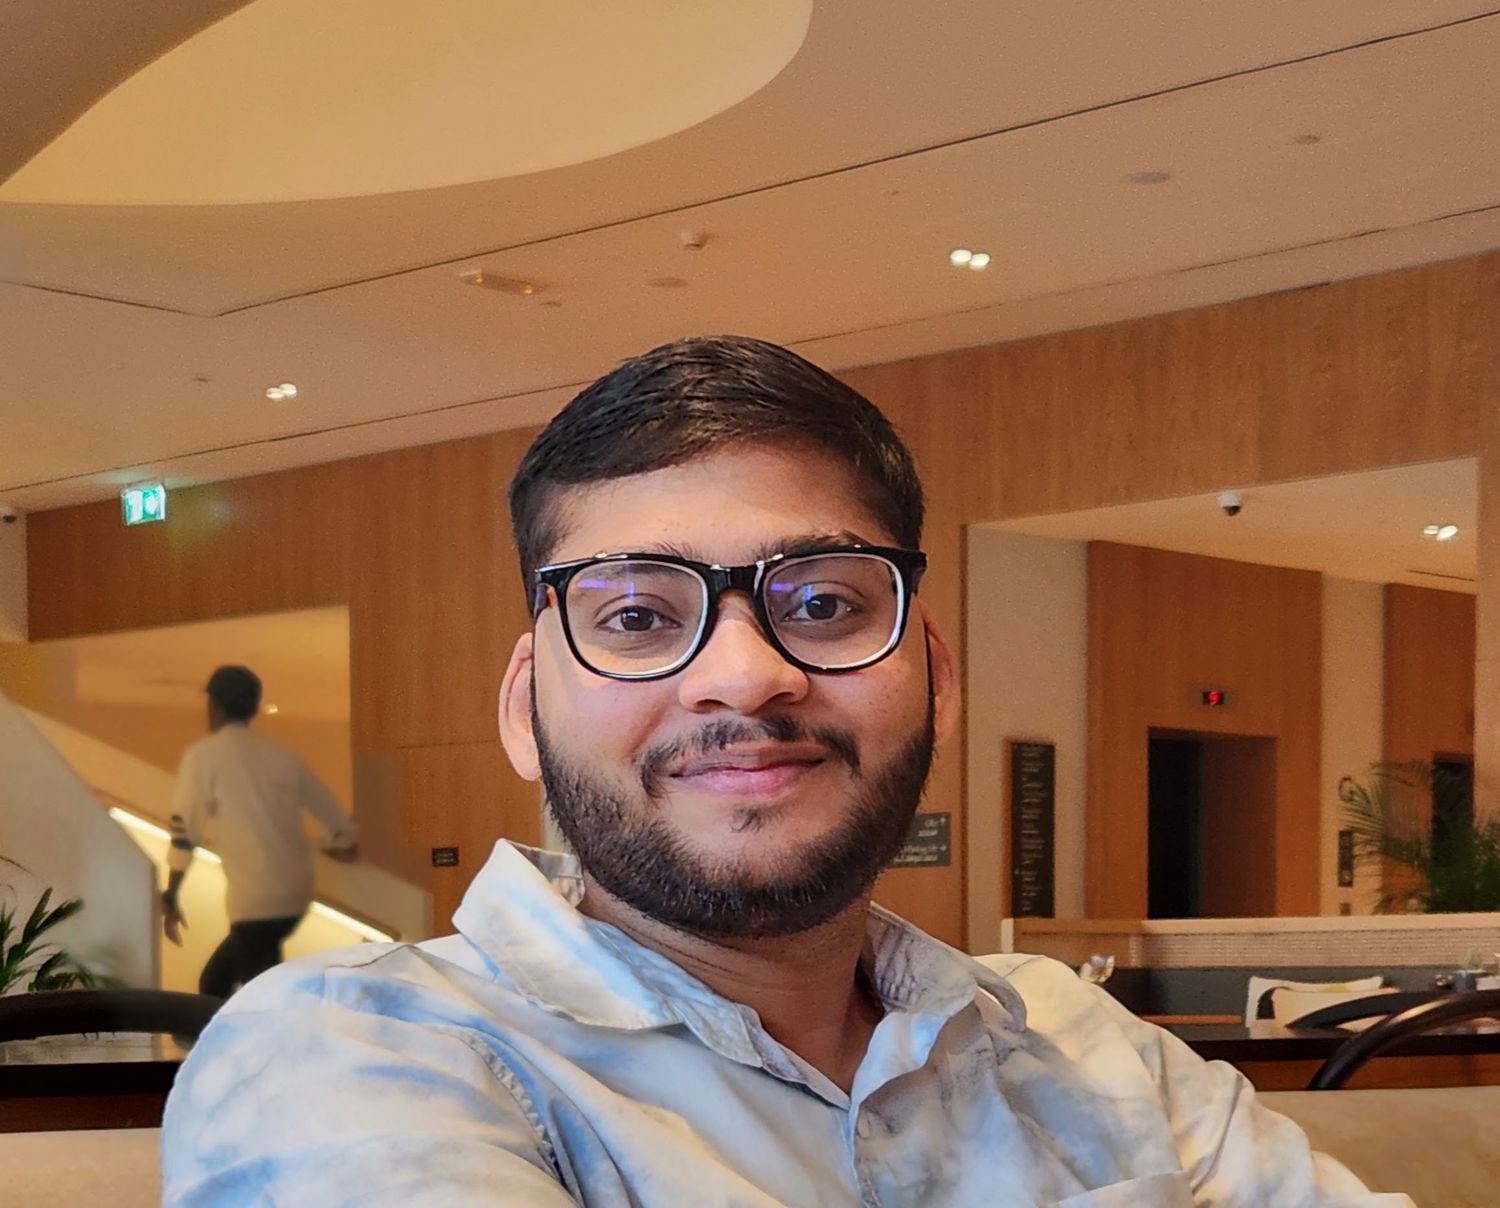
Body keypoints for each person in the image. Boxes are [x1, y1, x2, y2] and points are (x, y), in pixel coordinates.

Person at [162, 338, 1407, 1205]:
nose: (746, 675)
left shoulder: (1084, 1045)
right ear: (524, 706)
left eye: (822, 602)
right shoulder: (355, 1056)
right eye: (637, 615)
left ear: (937, 676)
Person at [163, 664, 357, 999]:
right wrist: (332, 843)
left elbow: (185, 830)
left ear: (214, 705)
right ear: (254, 706)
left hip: (254, 899)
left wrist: (170, 893)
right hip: (294, 895)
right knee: (224, 983)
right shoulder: (281, 756)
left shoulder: (204, 757)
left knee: (241, 990)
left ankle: (287, 1029)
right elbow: (338, 822)